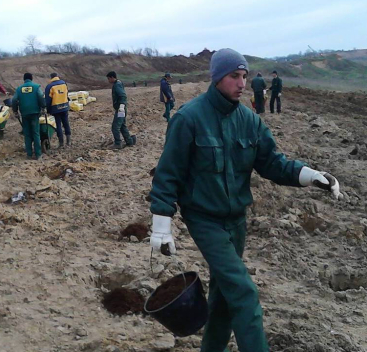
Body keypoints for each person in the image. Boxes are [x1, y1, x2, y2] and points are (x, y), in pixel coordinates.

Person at [149, 48, 342, 352]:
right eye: (234, 76)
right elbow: (167, 173)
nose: (242, 83)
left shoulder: (249, 121)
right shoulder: (189, 118)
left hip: (237, 221)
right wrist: (161, 225)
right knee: (244, 292)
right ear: (216, 78)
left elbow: (273, 163)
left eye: (244, 76)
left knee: (225, 295)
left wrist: (310, 175)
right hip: (204, 220)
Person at [12, 73, 46, 160]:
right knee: (36, 133)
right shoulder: (36, 87)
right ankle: (38, 154)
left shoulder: (19, 89)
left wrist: (15, 111)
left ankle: (29, 154)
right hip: (34, 113)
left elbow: (14, 99)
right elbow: (41, 97)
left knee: (27, 134)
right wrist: (43, 107)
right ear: (31, 78)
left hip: (24, 114)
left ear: (24, 79)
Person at [106, 71, 136, 150]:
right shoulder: (118, 83)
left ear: (112, 77)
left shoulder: (117, 85)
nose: (108, 80)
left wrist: (121, 106)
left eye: (109, 79)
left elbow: (123, 95)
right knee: (122, 126)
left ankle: (118, 143)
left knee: (115, 127)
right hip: (121, 109)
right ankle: (129, 141)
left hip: (120, 109)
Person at [45, 72, 71, 148]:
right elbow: (66, 94)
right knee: (66, 123)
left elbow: (48, 100)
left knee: (58, 125)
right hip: (65, 106)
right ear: (57, 76)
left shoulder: (49, 86)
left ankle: (61, 143)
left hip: (56, 108)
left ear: (51, 77)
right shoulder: (64, 83)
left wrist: (48, 109)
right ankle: (68, 141)